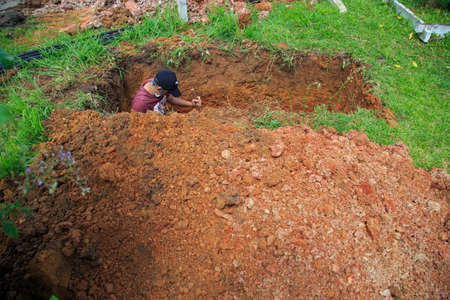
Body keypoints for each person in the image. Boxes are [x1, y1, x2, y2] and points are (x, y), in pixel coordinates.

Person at [131, 70, 201, 115]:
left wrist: (191, 104)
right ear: (158, 89)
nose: (169, 93)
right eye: (168, 91)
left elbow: (171, 98)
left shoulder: (159, 83)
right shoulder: (140, 105)